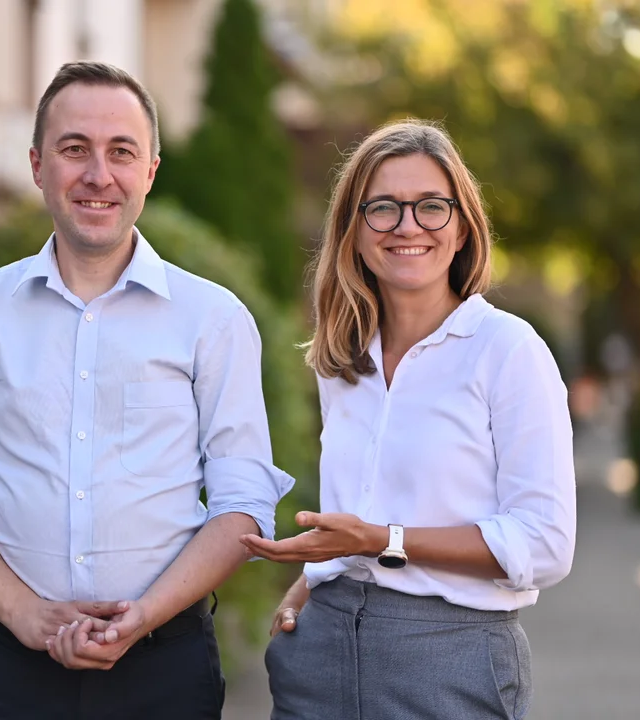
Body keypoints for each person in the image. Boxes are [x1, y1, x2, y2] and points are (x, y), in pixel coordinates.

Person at [0, 61, 293, 720]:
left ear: (151, 171)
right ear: (37, 165)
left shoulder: (213, 318)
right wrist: (23, 612)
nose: (98, 174)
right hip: (9, 667)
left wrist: (144, 616)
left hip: (165, 672)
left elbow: (244, 502)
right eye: (75, 148)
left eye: (121, 152)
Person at [241, 119, 576, 720]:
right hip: (319, 658)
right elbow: (354, 517)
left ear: (462, 226)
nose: (407, 226)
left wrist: (385, 540)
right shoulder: (342, 359)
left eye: (431, 206)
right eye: (383, 208)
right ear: (354, 231)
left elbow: (546, 543)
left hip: (448, 662)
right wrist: (306, 588)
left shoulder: (507, 350)